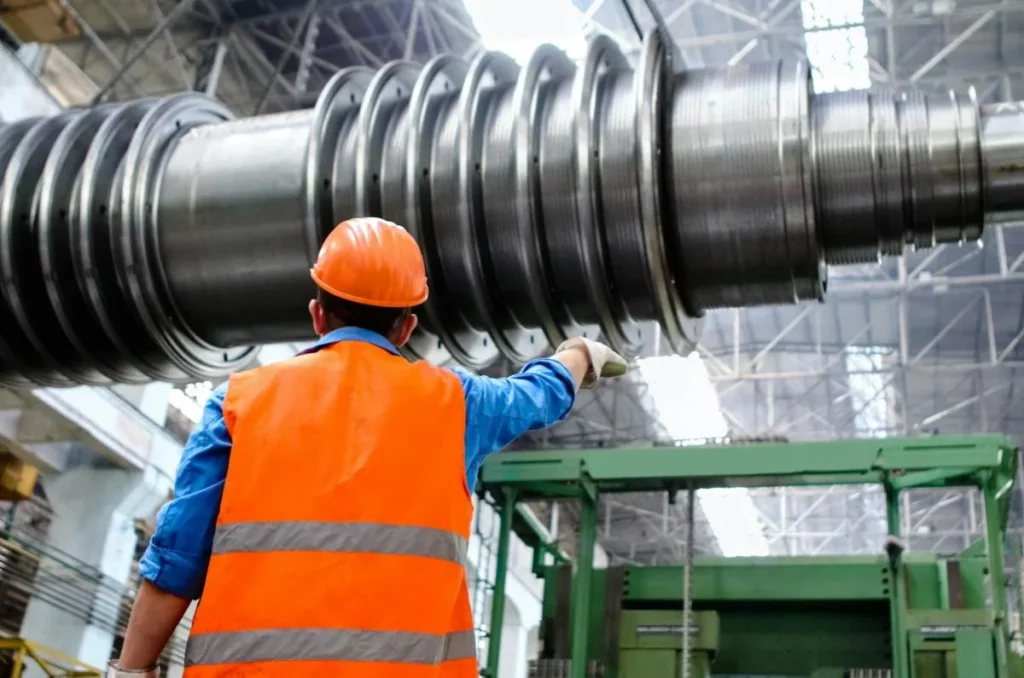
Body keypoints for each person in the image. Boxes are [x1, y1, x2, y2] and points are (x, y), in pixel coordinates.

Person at [111, 217, 627, 677]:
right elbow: (539, 395)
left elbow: (175, 561)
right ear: (406, 327)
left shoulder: (239, 402)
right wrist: (578, 354)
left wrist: (133, 670)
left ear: (317, 314)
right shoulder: (458, 404)